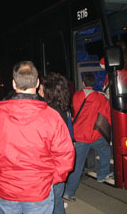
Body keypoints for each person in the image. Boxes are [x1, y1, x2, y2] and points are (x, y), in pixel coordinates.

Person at [0, 61, 75, 214]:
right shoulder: (51, 117)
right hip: (39, 191)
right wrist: (52, 178)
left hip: (6, 189)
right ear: (37, 83)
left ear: (14, 84)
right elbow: (65, 155)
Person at [63, 73, 112, 202]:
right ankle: (102, 175)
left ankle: (69, 192)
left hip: (79, 135)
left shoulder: (76, 96)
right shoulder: (100, 98)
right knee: (106, 150)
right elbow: (107, 115)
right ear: (93, 83)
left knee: (77, 165)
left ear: (83, 83)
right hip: (94, 135)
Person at [39, 72, 71, 214]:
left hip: (50, 165)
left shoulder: (49, 111)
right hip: (59, 164)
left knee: (51, 201)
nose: (40, 90)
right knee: (57, 200)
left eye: (42, 88)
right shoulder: (62, 107)